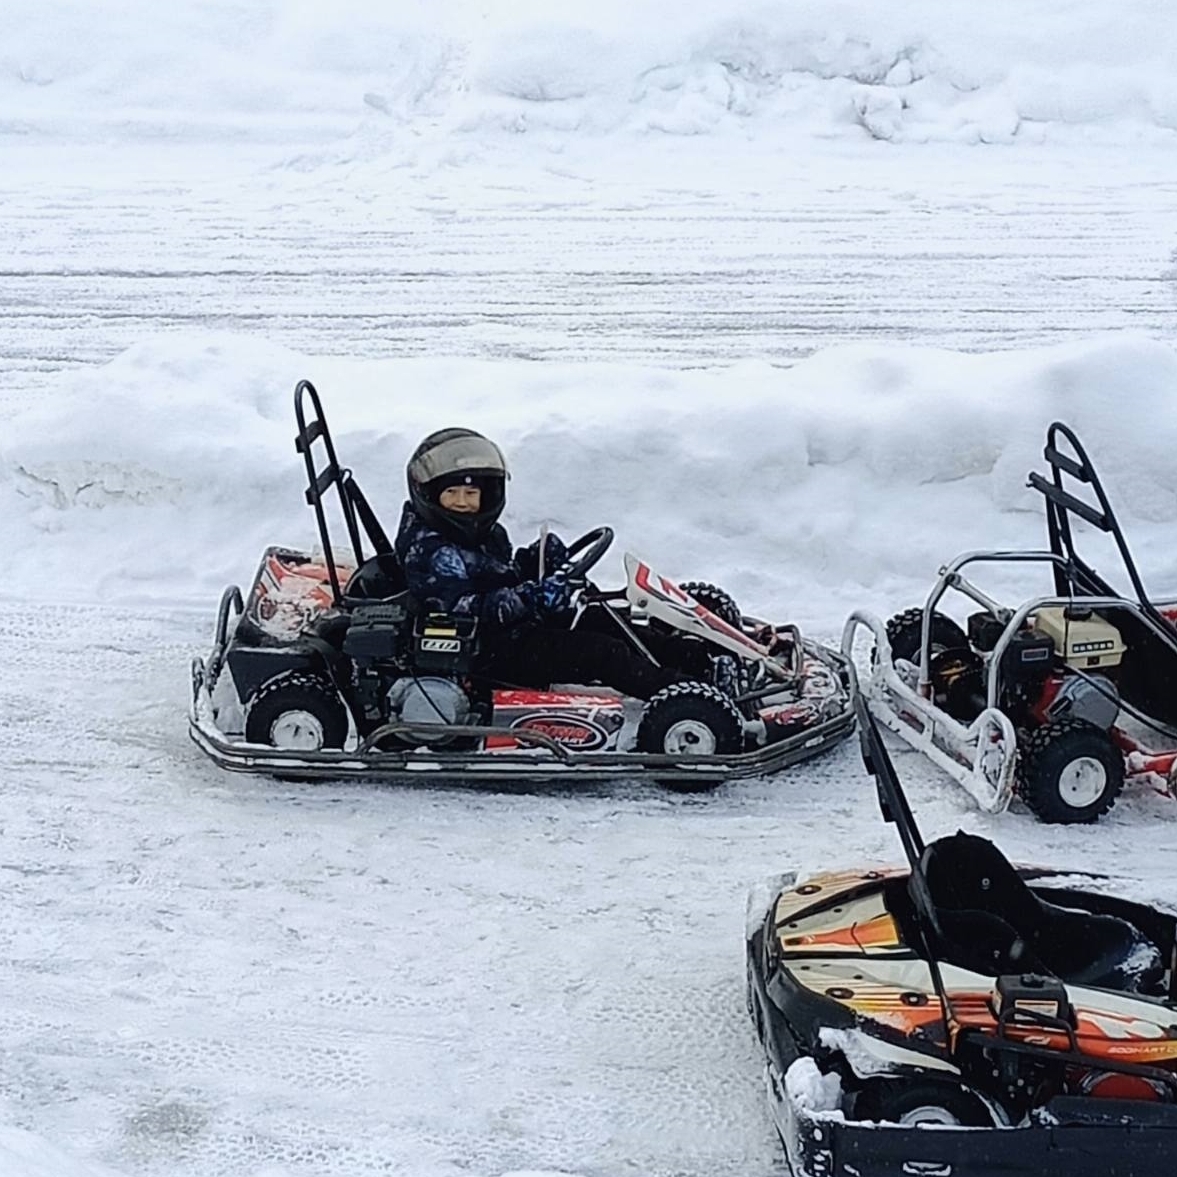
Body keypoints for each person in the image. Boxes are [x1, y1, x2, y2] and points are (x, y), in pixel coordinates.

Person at [394, 427, 700, 700]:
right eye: (452, 493)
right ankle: (682, 701)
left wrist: (533, 561)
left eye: (471, 493)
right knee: (599, 652)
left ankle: (696, 660)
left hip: (509, 631)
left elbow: (497, 577)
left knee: (600, 619)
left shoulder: (483, 534)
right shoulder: (429, 549)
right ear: (430, 496)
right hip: (482, 651)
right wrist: (532, 597)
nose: (462, 501)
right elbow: (464, 607)